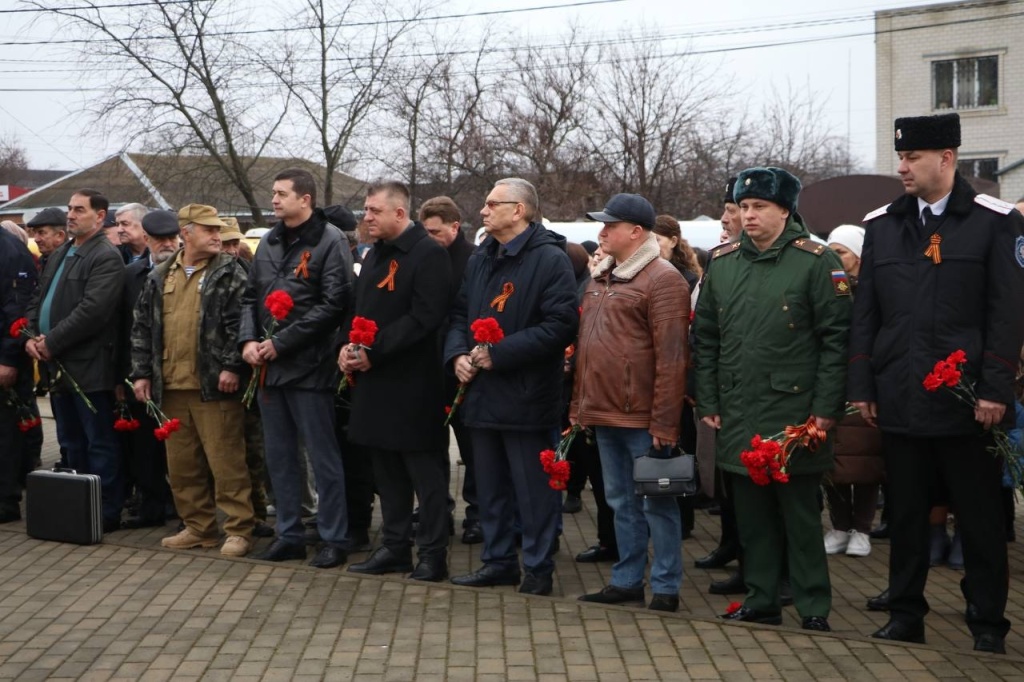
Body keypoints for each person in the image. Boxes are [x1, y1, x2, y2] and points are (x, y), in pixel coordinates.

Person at [848, 112, 1024, 653]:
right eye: (900, 157)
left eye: (912, 158)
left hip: (968, 406)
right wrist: (862, 388)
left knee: (980, 524)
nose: (902, 167)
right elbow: (867, 315)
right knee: (903, 519)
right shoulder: (882, 226)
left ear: (946, 159)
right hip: (900, 401)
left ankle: (988, 623)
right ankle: (905, 614)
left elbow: (1007, 313)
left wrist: (994, 389)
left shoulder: (994, 222)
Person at [694, 167, 852, 632]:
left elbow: (836, 340)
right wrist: (709, 401)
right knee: (751, 516)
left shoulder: (817, 261)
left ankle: (812, 605)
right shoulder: (723, 263)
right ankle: (762, 597)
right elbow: (705, 339)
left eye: (759, 206)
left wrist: (825, 411)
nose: (749, 215)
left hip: (794, 414)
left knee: (800, 515)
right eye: (743, 207)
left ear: (785, 209)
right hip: (738, 410)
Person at [445, 178, 578, 596]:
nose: (482, 212)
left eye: (491, 204)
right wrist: (458, 356)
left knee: (533, 491)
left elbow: (560, 326)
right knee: (490, 487)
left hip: (526, 395)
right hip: (482, 396)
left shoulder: (550, 260)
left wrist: (499, 354)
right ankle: (498, 561)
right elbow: (459, 314)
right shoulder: (482, 257)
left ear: (518, 210)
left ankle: (537, 569)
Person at [571, 194, 689, 612]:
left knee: (658, 502)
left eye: (610, 225)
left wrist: (664, 423)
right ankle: (626, 580)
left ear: (636, 232)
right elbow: (588, 348)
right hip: (604, 413)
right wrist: (579, 408)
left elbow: (673, 358)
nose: (601, 233)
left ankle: (666, 587)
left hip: (643, 418)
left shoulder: (664, 279)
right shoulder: (601, 277)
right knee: (619, 500)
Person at [240, 168, 353, 569]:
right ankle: (289, 534)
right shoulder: (268, 241)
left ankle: (334, 537)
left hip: (310, 365)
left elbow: (334, 303)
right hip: (269, 368)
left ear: (305, 199)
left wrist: (281, 342)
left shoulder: (329, 240)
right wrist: (249, 341)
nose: (274, 200)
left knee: (322, 459)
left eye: (282, 193)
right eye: (272, 192)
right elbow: (250, 296)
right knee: (280, 456)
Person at [342, 182, 453, 582]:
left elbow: (425, 317)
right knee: (386, 472)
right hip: (375, 384)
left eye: (373, 210)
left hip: (413, 385)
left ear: (400, 214)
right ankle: (394, 547)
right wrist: (348, 347)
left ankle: (433, 554)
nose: (366, 217)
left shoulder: (428, 255)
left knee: (426, 476)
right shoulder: (374, 256)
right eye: (366, 210)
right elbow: (359, 309)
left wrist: (376, 350)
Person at [130, 204, 254, 556]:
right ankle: (198, 527)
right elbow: (142, 328)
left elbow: (241, 324)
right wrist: (141, 374)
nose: (218, 236)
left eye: (218, 230)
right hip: (170, 385)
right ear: (186, 233)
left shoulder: (231, 271)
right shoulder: (160, 275)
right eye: (208, 230)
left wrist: (232, 366)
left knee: (225, 460)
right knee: (182, 465)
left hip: (214, 385)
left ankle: (239, 529)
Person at [25, 188, 126, 533]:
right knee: (69, 441)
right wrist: (30, 337)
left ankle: (106, 509)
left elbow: (93, 311)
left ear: (100, 216)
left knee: (97, 441)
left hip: (88, 366)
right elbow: (38, 299)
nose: (70, 215)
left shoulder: (106, 256)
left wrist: (51, 341)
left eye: (79, 210)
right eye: (69, 209)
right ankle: (76, 505)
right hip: (57, 365)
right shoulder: (63, 251)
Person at [419, 195, 481, 545]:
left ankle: (478, 513)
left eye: (435, 231)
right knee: (431, 446)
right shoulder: (425, 257)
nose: (429, 238)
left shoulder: (474, 259)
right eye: (425, 231)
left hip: (462, 365)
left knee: (472, 450)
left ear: (455, 227)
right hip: (430, 367)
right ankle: (436, 507)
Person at [820, 225, 883, 558]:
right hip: (835, 385)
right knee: (836, 461)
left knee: (867, 463)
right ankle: (839, 525)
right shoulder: (833, 287)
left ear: (857, 255)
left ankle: (862, 528)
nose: (835, 257)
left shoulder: (873, 289)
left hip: (865, 385)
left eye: (841, 251)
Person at [117, 209, 178, 529]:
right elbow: (122, 327)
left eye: (172, 238)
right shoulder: (131, 275)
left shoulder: (189, 271)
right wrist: (122, 377)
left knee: (183, 447)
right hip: (141, 373)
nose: (167, 245)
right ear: (149, 241)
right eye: (160, 239)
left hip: (180, 372)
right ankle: (154, 505)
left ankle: (186, 508)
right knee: (144, 447)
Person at [0, 226, 39, 522]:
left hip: (4, 360)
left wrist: (8, 358)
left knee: (5, 433)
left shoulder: (11, 251)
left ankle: (5, 501)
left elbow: (18, 310)